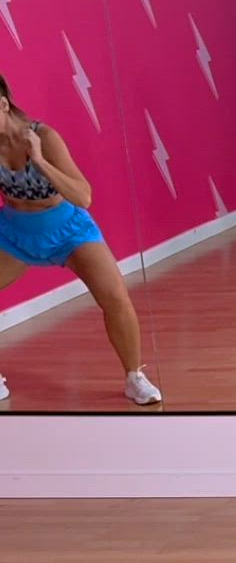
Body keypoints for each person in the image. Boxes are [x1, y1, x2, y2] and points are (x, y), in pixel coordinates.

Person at [0, 73, 163, 405]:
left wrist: (40, 160)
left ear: (3, 105)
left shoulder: (44, 137)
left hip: (67, 230)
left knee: (115, 298)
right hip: (15, 233)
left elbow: (83, 196)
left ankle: (134, 377)